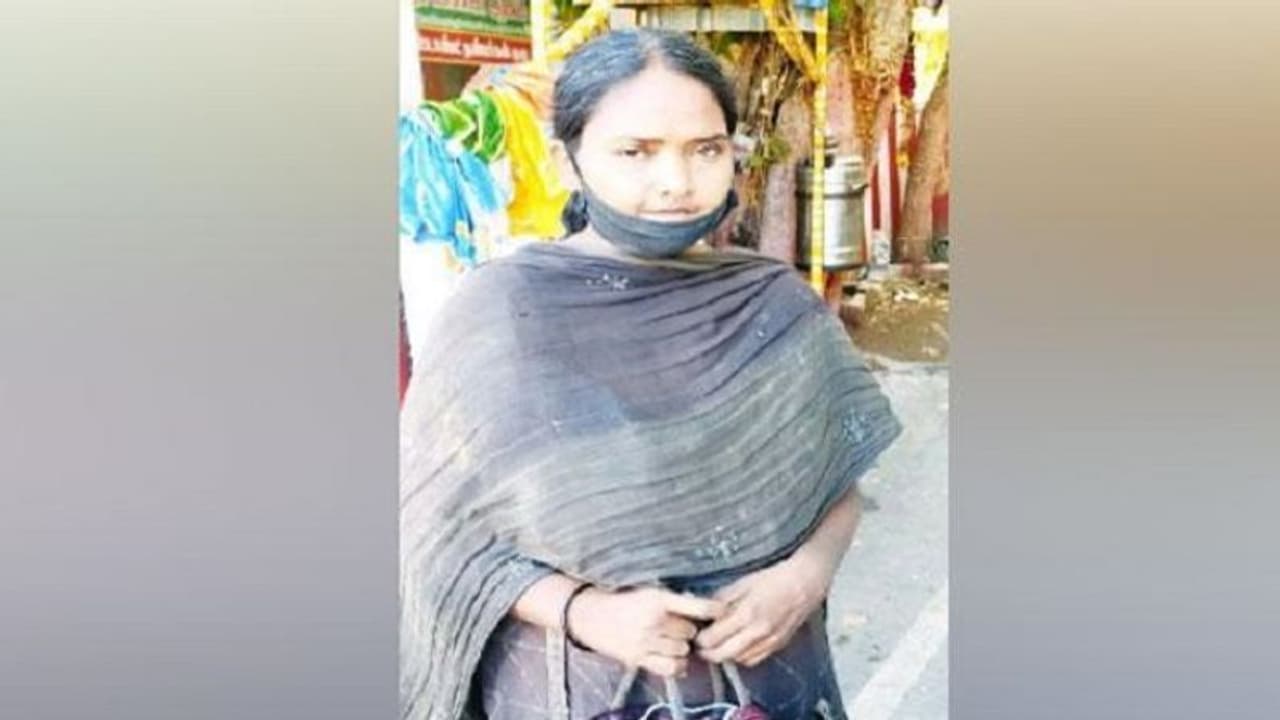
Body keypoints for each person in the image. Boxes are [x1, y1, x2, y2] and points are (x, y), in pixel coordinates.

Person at [400, 29, 902, 720]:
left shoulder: (776, 304)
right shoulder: (500, 314)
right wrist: (582, 611)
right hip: (572, 690)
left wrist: (804, 578)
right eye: (635, 152)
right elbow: (437, 529)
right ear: (567, 161)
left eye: (706, 149)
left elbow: (838, 487)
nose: (677, 181)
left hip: (775, 685)